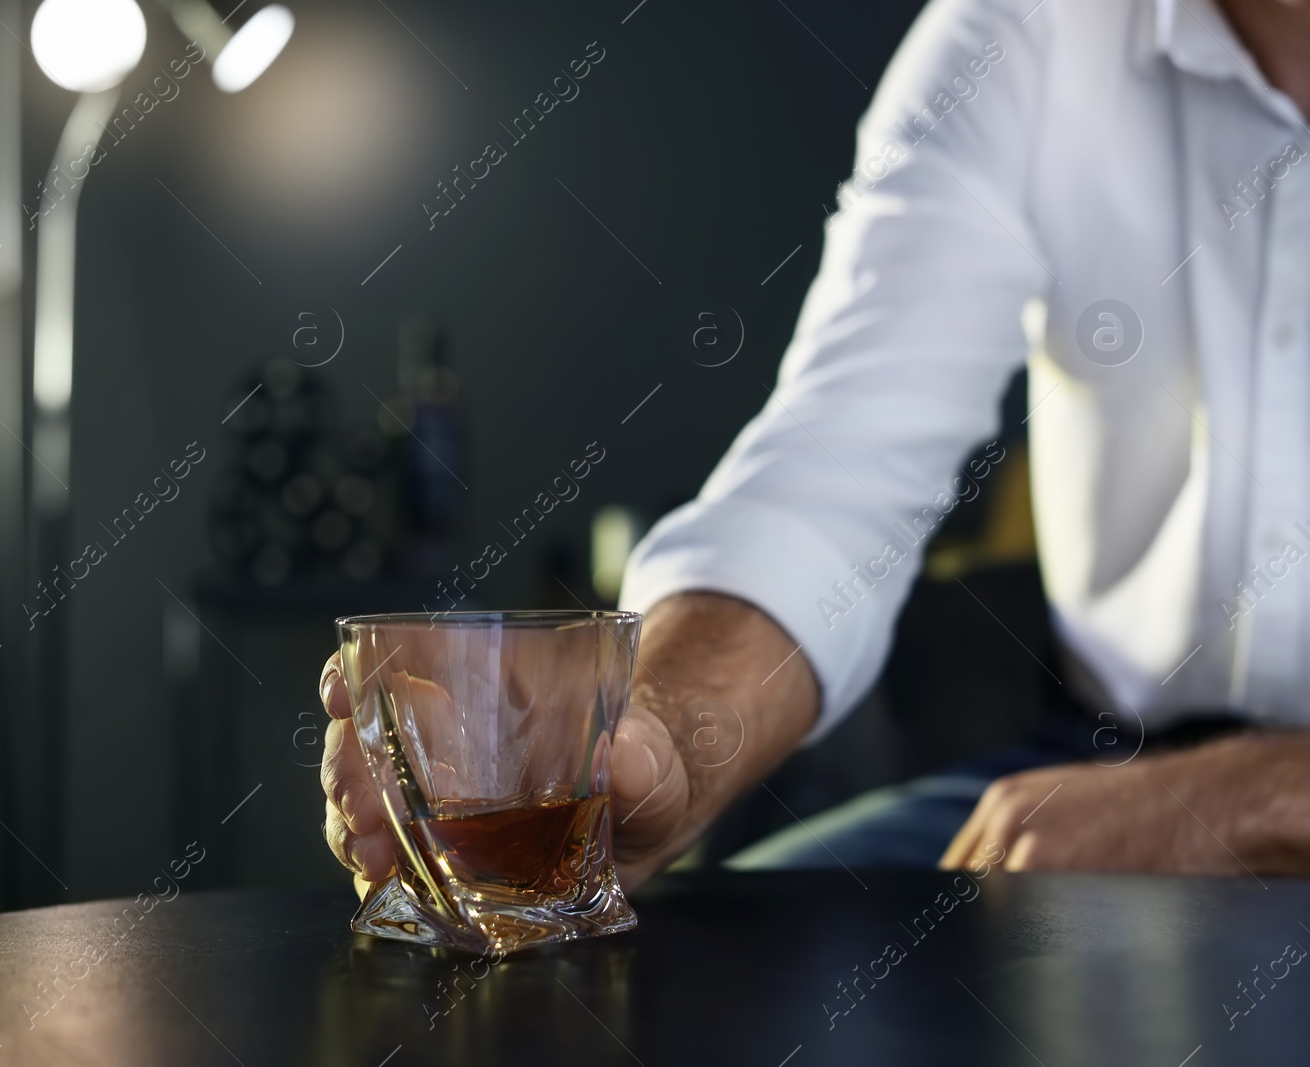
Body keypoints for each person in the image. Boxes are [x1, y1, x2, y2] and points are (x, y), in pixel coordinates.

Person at [319, 0, 1310, 891]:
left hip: (1160, 799)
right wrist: (662, 736)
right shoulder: (1023, 30)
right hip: (1098, 771)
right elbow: (838, 478)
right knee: (735, 962)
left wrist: (1257, 801)